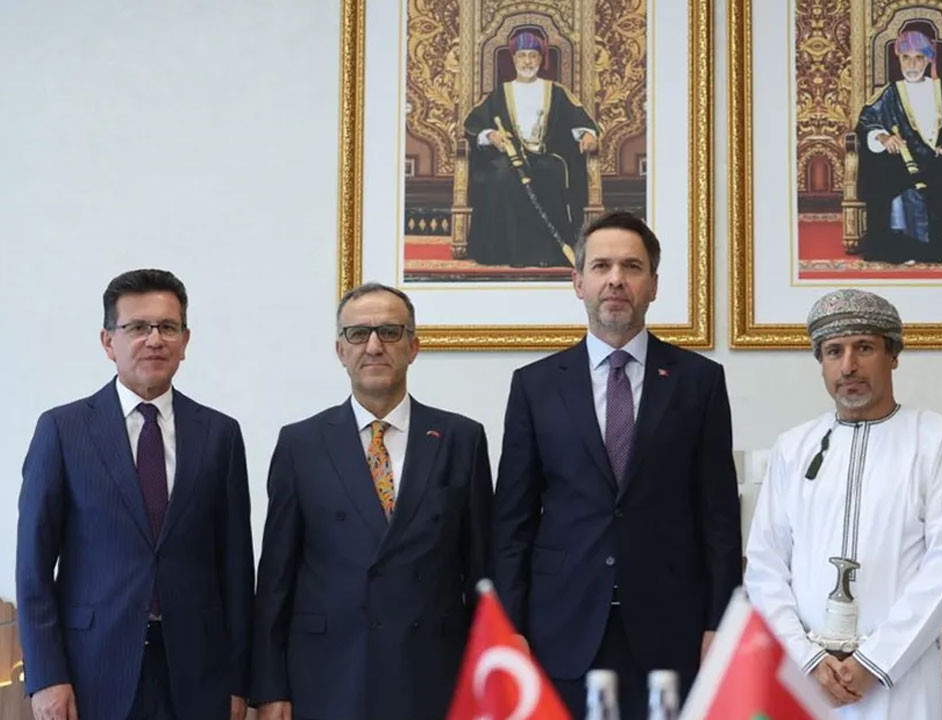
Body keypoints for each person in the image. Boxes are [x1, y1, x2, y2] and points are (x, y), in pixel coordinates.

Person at [491, 211, 741, 719]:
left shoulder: (699, 381)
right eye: (601, 266)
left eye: (632, 266)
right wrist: (509, 627)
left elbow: (719, 518)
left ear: (653, 285)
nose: (616, 279)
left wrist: (721, 623)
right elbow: (512, 522)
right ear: (578, 282)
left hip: (672, 628)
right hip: (561, 627)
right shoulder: (535, 386)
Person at [17, 269, 254, 720]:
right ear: (109, 342)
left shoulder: (219, 434)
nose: (155, 340)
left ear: (185, 341)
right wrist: (46, 675)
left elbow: (237, 568)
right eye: (138, 327)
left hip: (198, 674)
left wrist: (238, 681)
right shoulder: (63, 430)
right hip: (92, 669)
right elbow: (33, 567)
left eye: (168, 327)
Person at [251, 283, 493, 720]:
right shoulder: (300, 444)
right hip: (328, 675)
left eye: (390, 332)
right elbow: (275, 580)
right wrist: (270, 688)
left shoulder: (461, 439)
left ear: (414, 347)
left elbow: (481, 571)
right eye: (359, 334)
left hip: (432, 674)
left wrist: (488, 677)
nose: (375, 346)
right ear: (340, 350)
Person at [744, 288, 942, 718]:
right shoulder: (793, 447)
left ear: (893, 355)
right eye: (834, 351)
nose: (848, 365)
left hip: (900, 677)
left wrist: (875, 662)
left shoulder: (938, 440)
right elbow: (765, 567)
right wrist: (806, 659)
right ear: (821, 362)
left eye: (864, 348)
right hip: (808, 677)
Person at [463, 26, 600, 268]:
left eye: (533, 56)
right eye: (522, 56)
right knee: (502, 176)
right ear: (514, 59)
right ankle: (507, 253)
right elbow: (473, 125)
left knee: (552, 173)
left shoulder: (556, 92)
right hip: (509, 158)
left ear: (540, 59)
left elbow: (580, 120)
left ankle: (548, 253)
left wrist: (588, 135)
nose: (527, 61)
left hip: (547, 156)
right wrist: (491, 135)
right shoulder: (500, 93)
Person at [854, 29, 942, 266]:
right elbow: (866, 123)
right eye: (906, 58)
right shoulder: (889, 93)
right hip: (903, 161)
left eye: (918, 58)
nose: (912, 65)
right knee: (888, 175)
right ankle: (904, 249)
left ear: (928, 60)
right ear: (899, 60)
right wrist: (883, 137)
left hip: (938, 158)